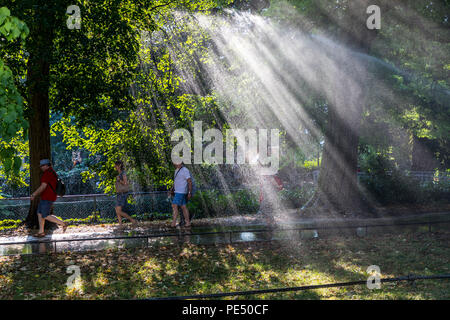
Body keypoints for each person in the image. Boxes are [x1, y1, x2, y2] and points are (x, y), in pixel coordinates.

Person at [30, 159, 68, 237]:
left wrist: (34, 194)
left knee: (45, 215)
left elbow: (43, 186)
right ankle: (41, 232)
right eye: (41, 166)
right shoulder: (52, 172)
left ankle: (63, 223)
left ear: (47, 165)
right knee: (40, 213)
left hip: (48, 197)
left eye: (42, 166)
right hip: (47, 196)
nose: (41, 167)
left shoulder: (47, 173)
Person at [169, 161, 193, 228]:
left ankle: (173, 223)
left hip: (181, 192)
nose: (176, 163)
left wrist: (189, 192)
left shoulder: (185, 170)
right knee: (183, 207)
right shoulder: (176, 170)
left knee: (174, 205)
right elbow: (176, 181)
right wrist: (172, 189)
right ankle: (188, 223)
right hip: (177, 191)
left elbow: (189, 182)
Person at [114, 160, 137, 227]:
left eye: (116, 165)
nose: (115, 167)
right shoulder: (119, 174)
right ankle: (120, 224)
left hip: (122, 194)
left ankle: (132, 220)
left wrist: (119, 180)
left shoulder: (123, 174)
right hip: (119, 194)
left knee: (118, 211)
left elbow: (125, 183)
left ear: (119, 165)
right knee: (117, 210)